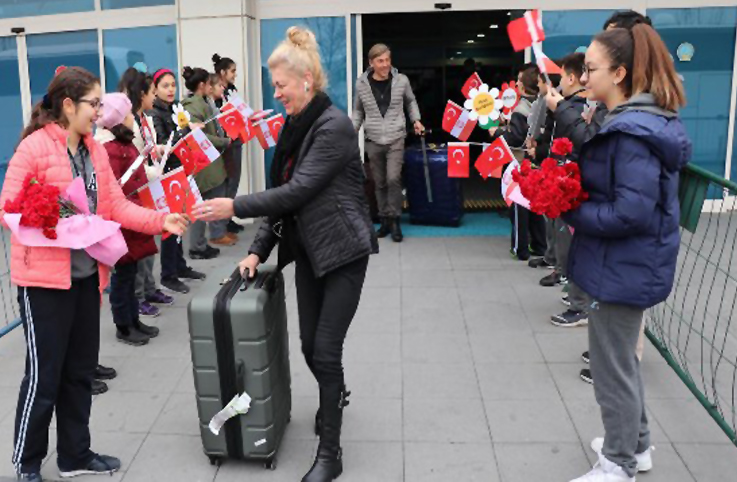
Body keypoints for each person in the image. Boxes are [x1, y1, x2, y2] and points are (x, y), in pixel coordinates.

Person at [194, 27, 378, 482]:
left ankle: (330, 453)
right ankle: (335, 395)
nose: (276, 95)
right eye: (273, 86)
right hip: (310, 253)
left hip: (343, 252)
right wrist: (258, 251)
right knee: (308, 346)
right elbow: (286, 200)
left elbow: (296, 191)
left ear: (307, 82)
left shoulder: (333, 126)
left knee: (325, 350)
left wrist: (234, 205)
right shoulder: (297, 126)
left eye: (281, 86)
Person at [0, 67, 188, 482]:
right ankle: (27, 463)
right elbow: (8, 207)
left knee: (80, 372)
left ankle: (74, 455)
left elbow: (115, 206)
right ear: (68, 106)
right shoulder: (34, 148)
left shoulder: (94, 150)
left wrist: (161, 221)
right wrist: (49, 212)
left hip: (86, 277)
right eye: (94, 104)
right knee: (44, 378)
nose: (100, 111)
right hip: (44, 284)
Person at [565, 24, 690, 482]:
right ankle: (635, 447)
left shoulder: (632, 132)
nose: (583, 77)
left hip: (624, 266)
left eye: (591, 69)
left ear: (619, 73)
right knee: (620, 362)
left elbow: (629, 212)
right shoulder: (636, 124)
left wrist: (573, 210)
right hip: (627, 264)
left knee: (610, 368)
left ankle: (618, 462)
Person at [96, 93, 162, 346]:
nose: (132, 119)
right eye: (127, 115)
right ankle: (123, 325)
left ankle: (133, 319)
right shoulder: (110, 149)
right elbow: (113, 188)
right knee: (123, 276)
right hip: (122, 223)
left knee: (131, 271)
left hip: (133, 218)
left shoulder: (124, 144)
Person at [117, 67, 175, 318]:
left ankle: (149, 289)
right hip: (137, 190)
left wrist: (161, 150)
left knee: (150, 245)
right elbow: (133, 163)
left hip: (149, 187)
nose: (155, 97)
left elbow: (147, 152)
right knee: (138, 249)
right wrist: (155, 173)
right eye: (152, 92)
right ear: (141, 94)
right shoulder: (126, 123)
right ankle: (138, 296)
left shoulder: (145, 119)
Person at [352, 43, 424, 243]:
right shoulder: (361, 84)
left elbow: (410, 101)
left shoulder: (401, 80)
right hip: (373, 139)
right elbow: (358, 110)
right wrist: (352, 129)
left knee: (393, 179)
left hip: (396, 137)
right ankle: (384, 219)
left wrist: (416, 120)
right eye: (380, 61)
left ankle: (395, 220)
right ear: (371, 63)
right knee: (379, 182)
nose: (385, 65)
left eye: (387, 60)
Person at [149, 68, 207, 294]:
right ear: (155, 89)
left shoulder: (175, 108)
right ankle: (168, 274)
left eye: (173, 84)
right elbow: (164, 144)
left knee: (183, 219)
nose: (171, 89)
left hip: (181, 171)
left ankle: (180, 266)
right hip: (167, 175)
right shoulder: (155, 114)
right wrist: (187, 131)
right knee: (171, 226)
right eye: (165, 85)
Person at [490, 63, 546, 261]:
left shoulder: (520, 108)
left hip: (521, 164)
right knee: (537, 206)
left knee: (519, 206)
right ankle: (540, 245)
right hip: (538, 162)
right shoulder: (543, 103)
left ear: (521, 87)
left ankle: (519, 248)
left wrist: (497, 132)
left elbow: (515, 138)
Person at [181, 66, 234, 256]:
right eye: (210, 84)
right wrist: (225, 141)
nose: (212, 87)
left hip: (209, 160)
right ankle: (198, 246)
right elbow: (199, 137)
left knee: (206, 203)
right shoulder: (193, 106)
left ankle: (203, 242)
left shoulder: (200, 103)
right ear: (202, 85)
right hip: (204, 163)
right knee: (201, 206)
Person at [213, 54, 247, 235]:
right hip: (225, 142)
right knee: (226, 181)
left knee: (234, 179)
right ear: (222, 72)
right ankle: (222, 222)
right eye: (232, 71)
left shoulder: (231, 90)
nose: (235, 74)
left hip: (237, 139)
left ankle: (228, 217)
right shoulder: (215, 95)